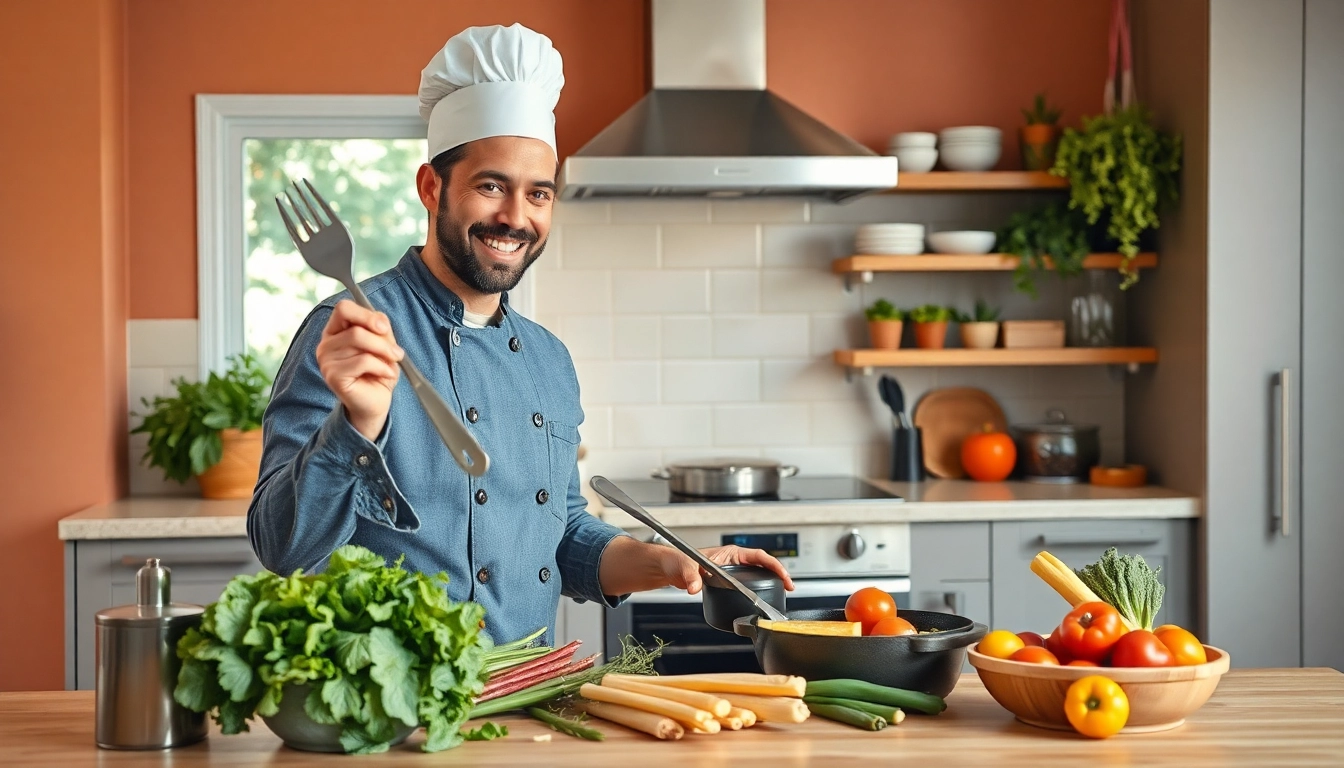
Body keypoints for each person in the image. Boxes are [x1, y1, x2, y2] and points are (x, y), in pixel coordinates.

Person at [247, 23, 794, 645]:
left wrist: (670, 563)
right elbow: (281, 547)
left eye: (539, 194)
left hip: (530, 688)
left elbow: (561, 535)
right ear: (431, 188)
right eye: (491, 186)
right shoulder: (350, 333)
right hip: (396, 692)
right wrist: (356, 426)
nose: (515, 217)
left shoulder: (546, 359)